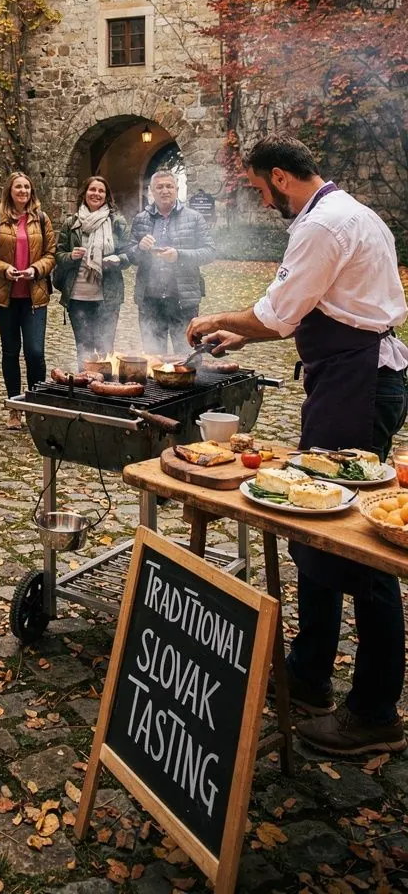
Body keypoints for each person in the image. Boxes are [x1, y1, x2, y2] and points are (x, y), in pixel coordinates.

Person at [188, 135, 408, 756]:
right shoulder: (351, 212)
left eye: (260, 189)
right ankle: (309, 674)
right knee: (314, 517)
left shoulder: (322, 226)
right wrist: (245, 339)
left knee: (361, 545)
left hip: (357, 388)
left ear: (281, 177)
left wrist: (216, 321)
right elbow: (320, 308)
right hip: (350, 379)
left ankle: (373, 711)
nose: (262, 202)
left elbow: (280, 313)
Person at [0, 172, 56, 429]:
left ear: (31, 191)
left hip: (35, 296)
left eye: (26, 187)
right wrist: (4, 269)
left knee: (35, 352)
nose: (22, 191)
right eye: (17, 187)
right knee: (10, 351)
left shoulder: (42, 219)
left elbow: (51, 253)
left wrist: (36, 269)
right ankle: (14, 407)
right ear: (9, 191)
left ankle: (35, 407)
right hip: (6, 297)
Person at [130, 169, 215, 357]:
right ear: (151, 191)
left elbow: (209, 252)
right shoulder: (140, 219)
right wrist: (140, 248)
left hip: (183, 299)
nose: (164, 191)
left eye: (169, 186)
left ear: (177, 189)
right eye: (159, 187)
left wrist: (179, 255)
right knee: (153, 358)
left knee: (186, 357)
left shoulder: (193, 217)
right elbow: (130, 255)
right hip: (150, 300)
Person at [53, 175, 131, 367]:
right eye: (92, 190)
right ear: (85, 193)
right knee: (84, 349)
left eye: (101, 191)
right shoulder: (71, 223)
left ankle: (104, 391)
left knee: (105, 349)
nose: (96, 194)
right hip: (78, 296)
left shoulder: (117, 223)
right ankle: (86, 389)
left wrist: (118, 259)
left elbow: (130, 253)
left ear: (106, 196)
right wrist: (71, 256)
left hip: (108, 297)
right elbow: (58, 254)